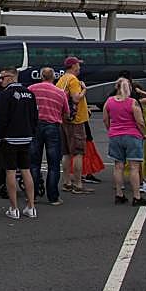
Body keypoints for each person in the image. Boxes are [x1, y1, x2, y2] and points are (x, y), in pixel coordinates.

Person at [0, 67, 39, 219]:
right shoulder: (29, 93)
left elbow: (2, 118)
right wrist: (32, 132)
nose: (0, 80)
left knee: (10, 171)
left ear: (11, 77)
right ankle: (31, 206)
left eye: (3, 77)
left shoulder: (5, 94)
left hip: (9, 138)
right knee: (26, 170)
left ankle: (14, 208)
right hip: (26, 136)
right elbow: (35, 116)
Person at [103, 78, 146, 206]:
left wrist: (110, 130)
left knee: (118, 166)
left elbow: (105, 119)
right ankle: (137, 196)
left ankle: (119, 194)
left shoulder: (109, 101)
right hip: (132, 135)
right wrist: (143, 133)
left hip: (115, 135)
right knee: (134, 167)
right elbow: (140, 122)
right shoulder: (132, 102)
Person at [27, 67, 68, 205]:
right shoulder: (60, 92)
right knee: (54, 163)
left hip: (35, 125)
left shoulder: (31, 89)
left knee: (34, 163)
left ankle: (33, 195)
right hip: (53, 126)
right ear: (53, 77)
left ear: (40, 76)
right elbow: (66, 113)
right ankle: (53, 197)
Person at [56, 57, 91, 194]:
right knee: (78, 152)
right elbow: (76, 98)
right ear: (74, 66)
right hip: (76, 120)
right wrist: (84, 90)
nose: (79, 67)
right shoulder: (73, 80)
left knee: (66, 152)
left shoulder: (62, 79)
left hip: (64, 119)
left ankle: (67, 182)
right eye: (78, 65)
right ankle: (78, 184)